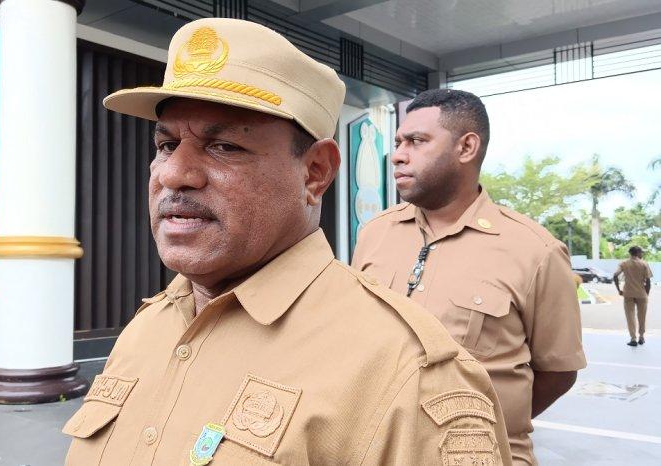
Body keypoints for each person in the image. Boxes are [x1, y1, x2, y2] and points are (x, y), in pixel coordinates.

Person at [63, 19, 512, 465]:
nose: (174, 173)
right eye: (166, 145)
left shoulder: (407, 373)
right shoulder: (148, 327)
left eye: (224, 147)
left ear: (315, 173)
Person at [352, 89, 586, 465]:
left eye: (417, 141)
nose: (398, 155)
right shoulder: (375, 234)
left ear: (466, 147)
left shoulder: (535, 251)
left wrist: (477, 428)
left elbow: (559, 372)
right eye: (398, 142)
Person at [614, 246, 653, 346]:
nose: (642, 254)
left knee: (630, 317)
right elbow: (648, 281)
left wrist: (619, 290)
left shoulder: (624, 263)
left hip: (628, 294)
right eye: (641, 252)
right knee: (642, 316)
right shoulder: (644, 264)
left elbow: (615, 275)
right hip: (641, 294)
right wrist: (646, 293)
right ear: (638, 253)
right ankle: (641, 337)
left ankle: (633, 339)